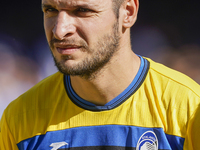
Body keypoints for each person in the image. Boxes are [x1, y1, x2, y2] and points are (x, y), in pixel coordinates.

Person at [0, 0, 200, 149]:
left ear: (127, 13)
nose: (60, 30)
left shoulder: (188, 108)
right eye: (50, 10)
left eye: (82, 11)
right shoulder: (20, 117)